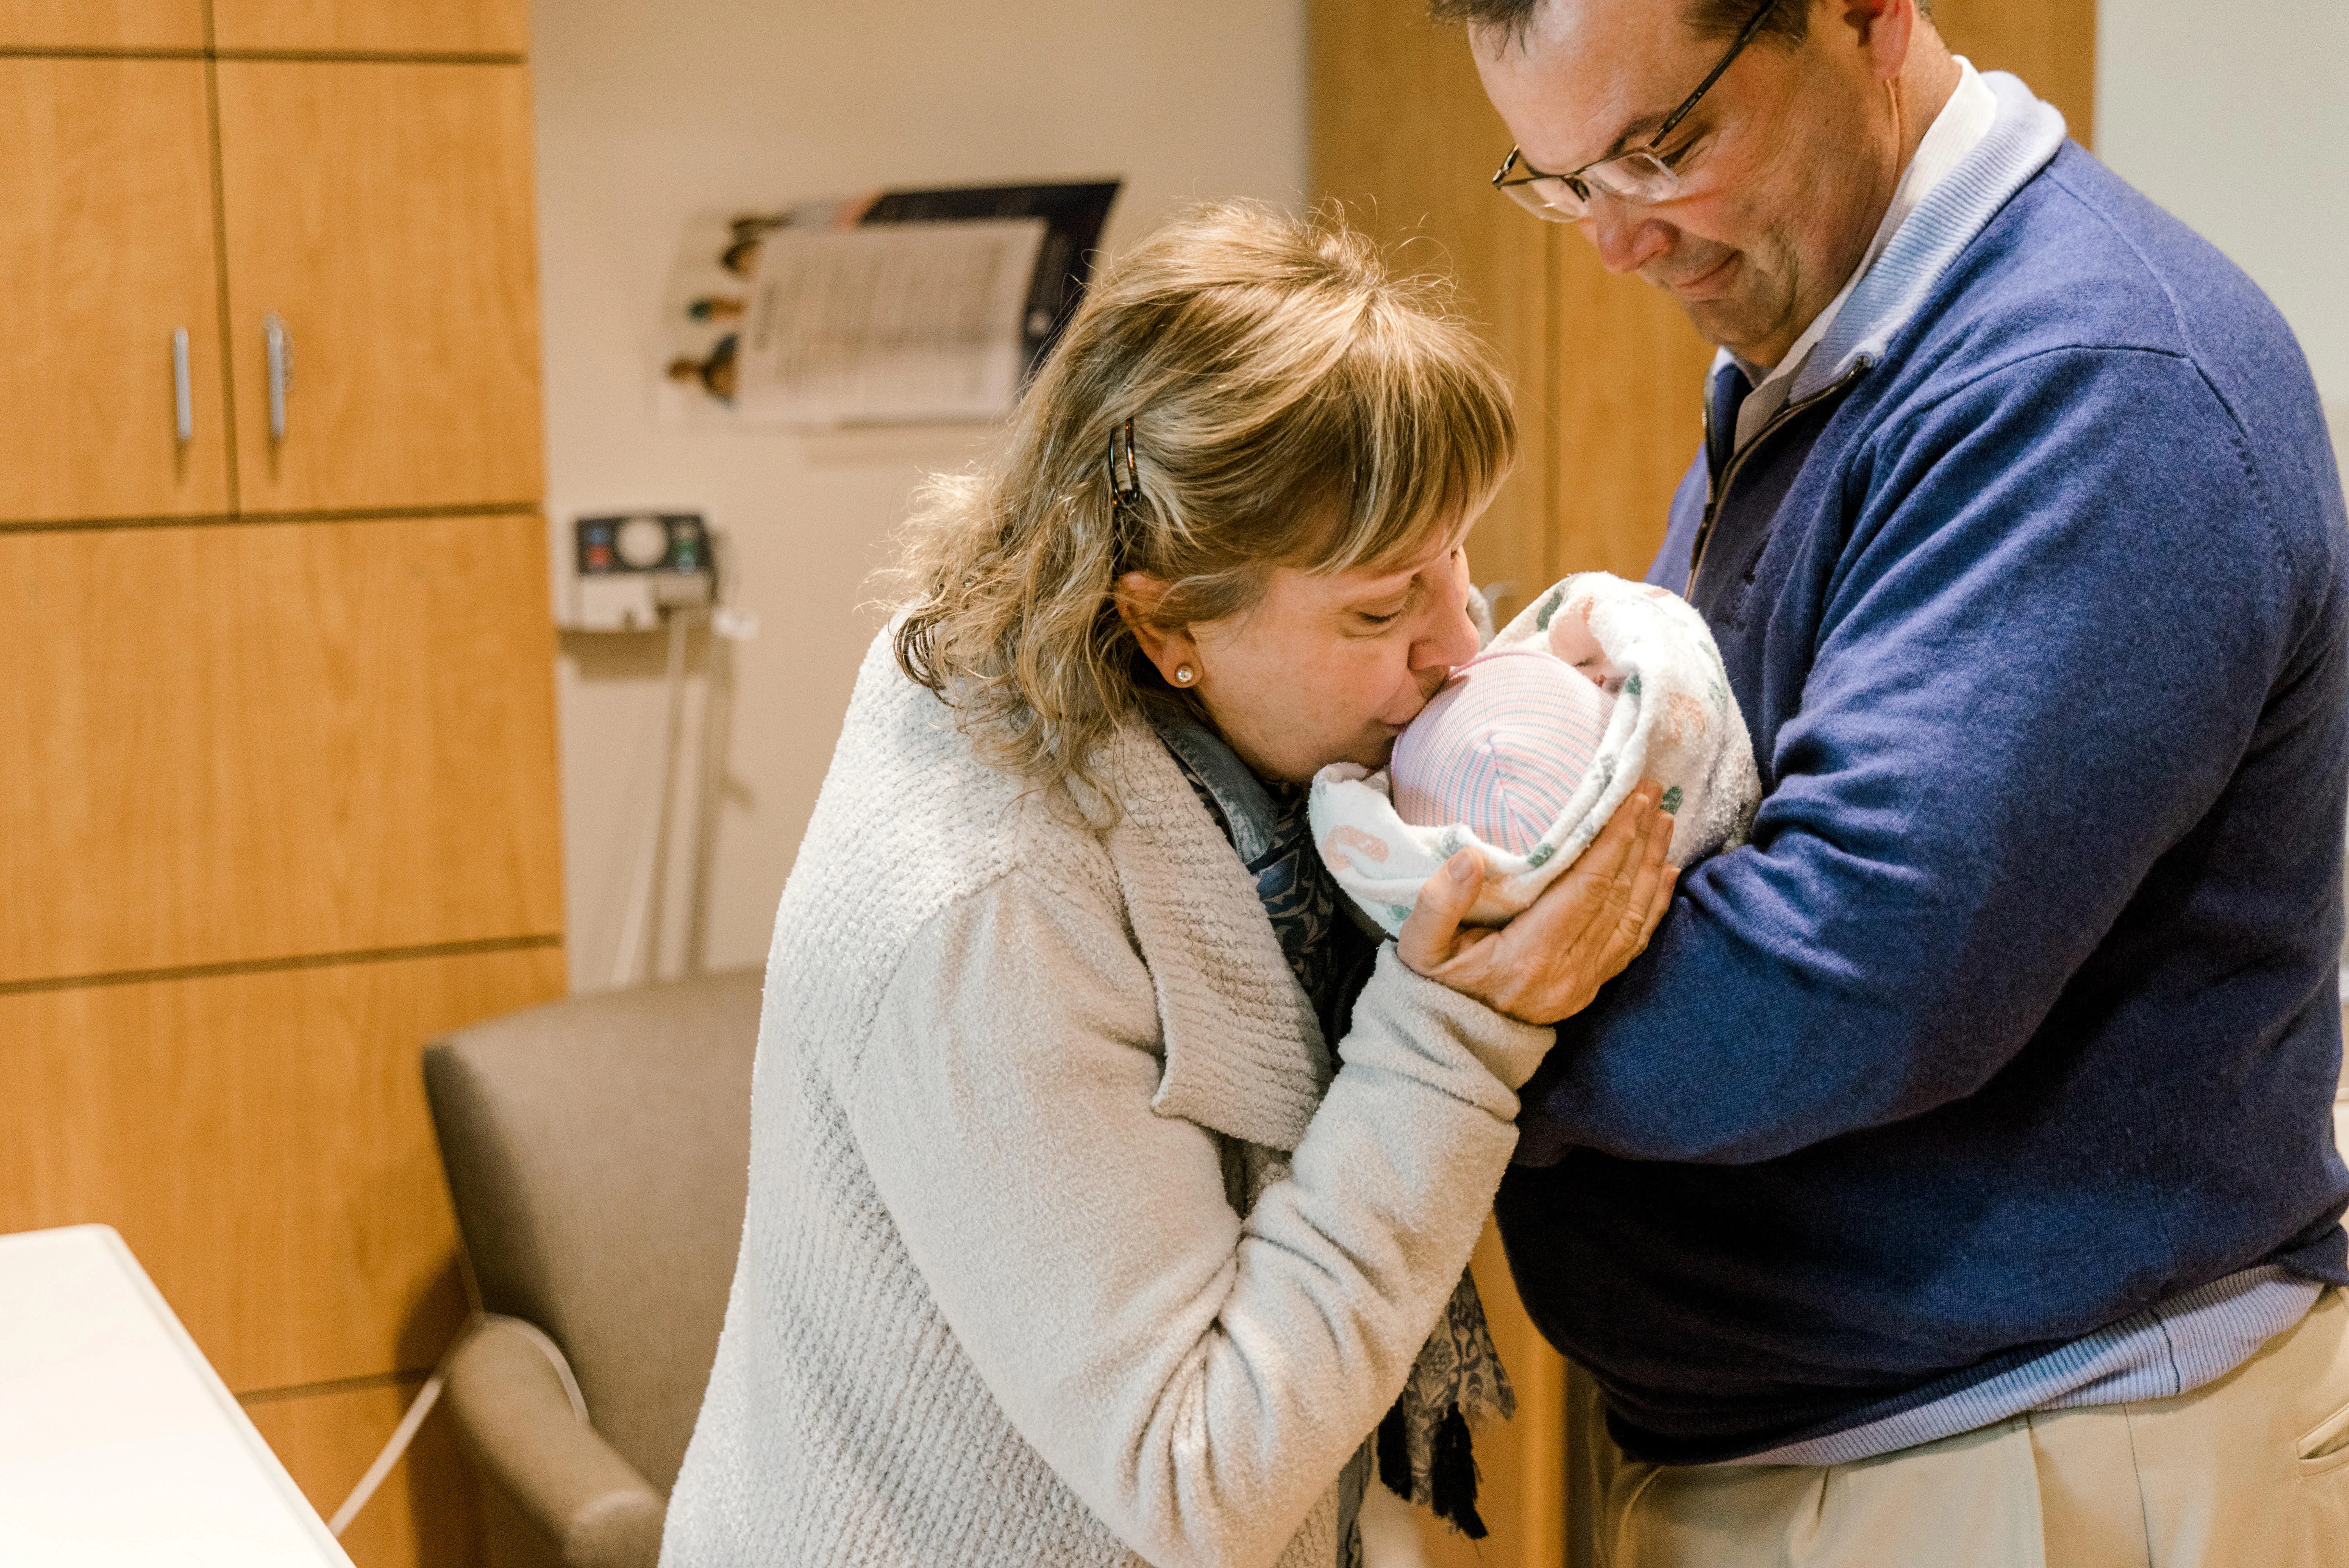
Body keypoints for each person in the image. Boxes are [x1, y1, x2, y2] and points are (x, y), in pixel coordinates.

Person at [1439, 0, 2349, 1561]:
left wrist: (1413, 1038)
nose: (1616, 243)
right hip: (1869, 1448)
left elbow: (1834, 973)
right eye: (1563, 181)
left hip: (2020, 1457)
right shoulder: (1833, 351)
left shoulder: (2085, 374)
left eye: (1664, 151)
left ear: (1866, 17)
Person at [658, 202, 1678, 1568]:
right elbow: (1198, 1481)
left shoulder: (1223, 764)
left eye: (1456, 558)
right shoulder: (990, 906)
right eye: (1381, 611)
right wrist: (1458, 1038)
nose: (1459, 642)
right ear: (1163, 621)